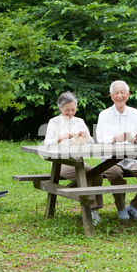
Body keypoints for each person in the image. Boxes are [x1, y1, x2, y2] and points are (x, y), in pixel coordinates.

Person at [96, 80, 137, 220]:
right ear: (111, 96)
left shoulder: (135, 113)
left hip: (131, 158)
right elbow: (100, 138)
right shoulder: (104, 114)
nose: (119, 95)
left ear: (128, 95)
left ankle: (134, 207)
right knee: (116, 175)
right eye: (116, 93)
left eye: (122, 92)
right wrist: (114, 138)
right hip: (110, 159)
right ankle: (121, 208)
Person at [44, 91, 103, 225]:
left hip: (79, 160)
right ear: (60, 108)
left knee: (97, 174)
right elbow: (47, 144)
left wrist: (85, 136)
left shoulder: (79, 121)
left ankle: (93, 210)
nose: (70, 113)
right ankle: (90, 212)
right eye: (67, 111)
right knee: (87, 176)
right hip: (62, 162)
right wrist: (61, 137)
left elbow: (91, 142)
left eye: (73, 110)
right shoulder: (54, 122)